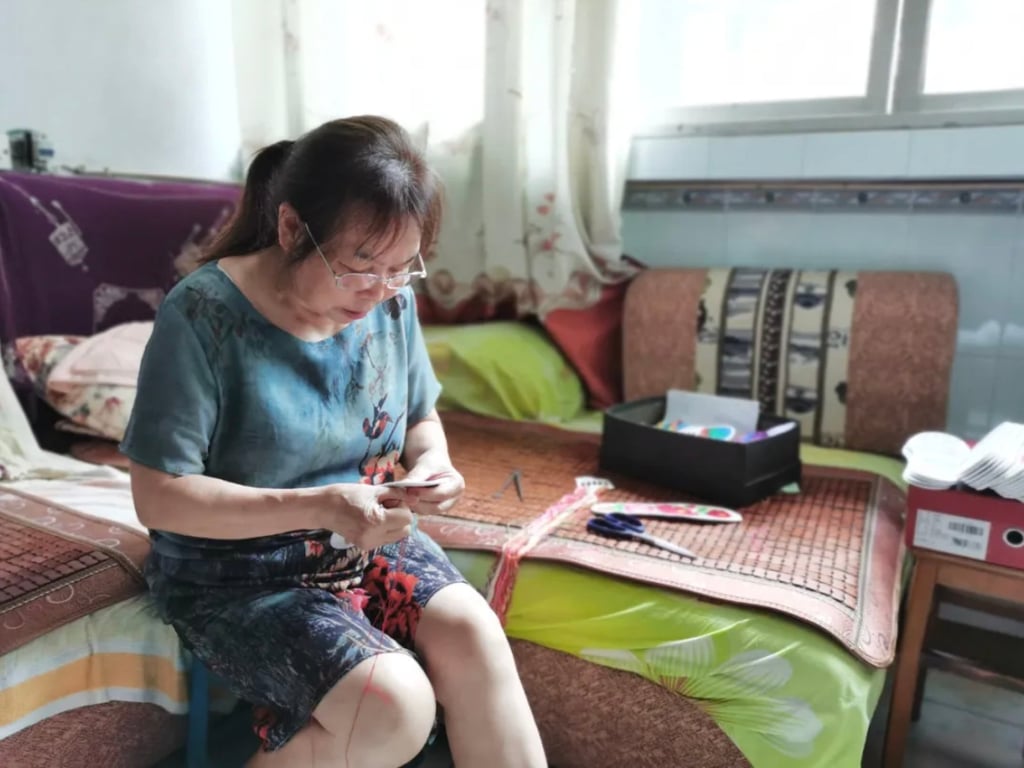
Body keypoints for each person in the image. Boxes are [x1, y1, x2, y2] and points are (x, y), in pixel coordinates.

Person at [121, 116, 547, 768]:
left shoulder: (390, 303)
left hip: (364, 541)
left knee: (474, 633)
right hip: (237, 572)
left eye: (402, 268)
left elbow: (420, 418)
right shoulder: (203, 314)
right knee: (394, 704)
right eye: (361, 265)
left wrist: (434, 464)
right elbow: (159, 498)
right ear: (293, 228)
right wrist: (322, 505)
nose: (380, 289)